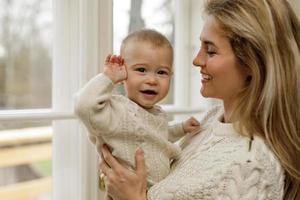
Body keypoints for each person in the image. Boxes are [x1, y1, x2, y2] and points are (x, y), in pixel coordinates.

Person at [99, 0, 300, 199]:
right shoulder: (211, 121)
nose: (197, 60)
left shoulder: (251, 165)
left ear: (251, 63)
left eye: (210, 51)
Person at [74, 29, 200, 197]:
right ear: (123, 72)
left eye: (161, 72)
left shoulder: (157, 113)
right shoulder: (117, 111)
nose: (152, 80)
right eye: (141, 70)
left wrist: (182, 128)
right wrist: (108, 78)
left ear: (171, 75)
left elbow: (158, 136)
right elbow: (84, 106)